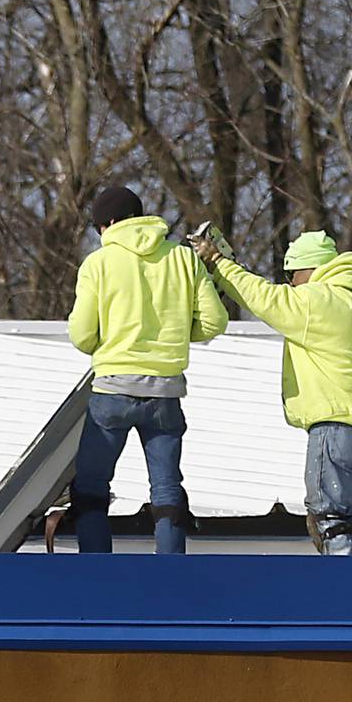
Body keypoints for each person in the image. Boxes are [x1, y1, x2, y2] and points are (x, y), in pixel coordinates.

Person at [190, 226, 352, 556]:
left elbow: (265, 299)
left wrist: (218, 263)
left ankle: (347, 592)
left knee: (328, 515)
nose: (290, 283)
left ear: (307, 269)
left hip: (335, 424)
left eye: (291, 274)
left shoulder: (320, 300)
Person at [66, 186, 227, 553]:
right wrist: (177, 339)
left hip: (113, 390)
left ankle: (96, 572)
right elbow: (215, 322)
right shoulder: (183, 259)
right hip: (166, 392)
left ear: (106, 224)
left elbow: (80, 334)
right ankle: (170, 574)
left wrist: (106, 346)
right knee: (167, 488)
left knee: (91, 486)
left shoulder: (99, 263)